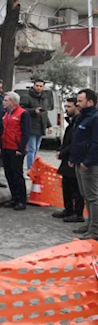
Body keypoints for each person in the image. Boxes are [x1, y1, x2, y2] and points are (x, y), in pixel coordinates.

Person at [68, 88, 98, 240]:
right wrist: (73, 158)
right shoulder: (82, 117)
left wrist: (88, 161)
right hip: (80, 162)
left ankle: (95, 230)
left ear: (90, 102)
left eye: (80, 101)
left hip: (89, 164)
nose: (77, 104)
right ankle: (90, 224)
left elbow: (95, 142)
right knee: (85, 195)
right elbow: (76, 140)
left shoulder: (95, 117)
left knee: (92, 197)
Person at [53, 97, 84, 223]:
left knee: (76, 187)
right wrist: (61, 149)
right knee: (66, 185)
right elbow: (67, 140)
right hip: (67, 158)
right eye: (65, 107)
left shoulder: (79, 122)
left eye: (69, 107)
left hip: (73, 158)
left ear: (77, 108)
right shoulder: (72, 122)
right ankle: (68, 209)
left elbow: (76, 142)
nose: (66, 109)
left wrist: (63, 152)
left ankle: (78, 213)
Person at [0, 91, 31, 210]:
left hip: (16, 148)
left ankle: (21, 200)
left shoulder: (23, 114)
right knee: (9, 174)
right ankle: (14, 198)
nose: (3, 102)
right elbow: (3, 131)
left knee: (17, 174)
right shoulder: (6, 113)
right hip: (6, 146)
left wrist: (21, 148)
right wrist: (0, 146)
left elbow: (26, 133)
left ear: (13, 102)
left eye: (6, 100)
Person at [19, 78, 52, 171]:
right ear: (33, 86)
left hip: (41, 127)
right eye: (37, 86)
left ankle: (34, 168)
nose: (38, 88)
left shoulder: (44, 98)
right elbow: (21, 110)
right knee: (31, 149)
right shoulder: (26, 96)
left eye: (40, 86)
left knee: (36, 149)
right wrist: (34, 111)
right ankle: (30, 169)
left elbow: (45, 113)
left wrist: (49, 125)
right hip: (30, 126)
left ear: (43, 87)